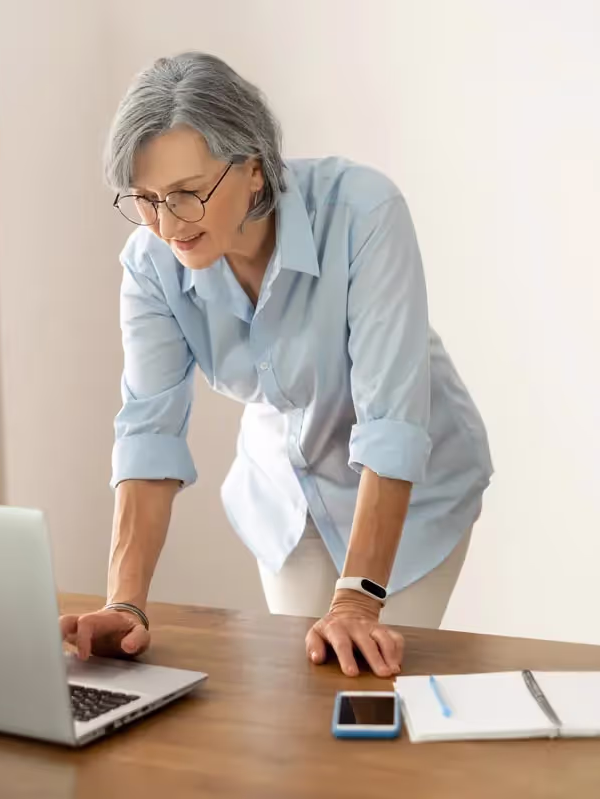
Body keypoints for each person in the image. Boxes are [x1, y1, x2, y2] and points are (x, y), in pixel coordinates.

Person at [59, 52, 493, 678]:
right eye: (147, 199)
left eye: (187, 194)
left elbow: (391, 423)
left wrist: (357, 600)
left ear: (254, 170)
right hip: (285, 493)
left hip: (409, 491)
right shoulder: (150, 264)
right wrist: (124, 604)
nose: (167, 224)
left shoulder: (363, 213)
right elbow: (149, 433)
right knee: (302, 690)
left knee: (369, 683)